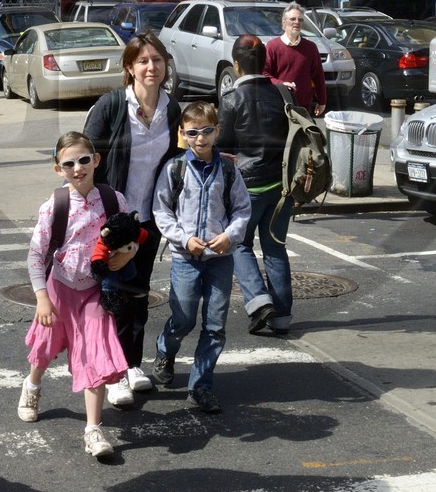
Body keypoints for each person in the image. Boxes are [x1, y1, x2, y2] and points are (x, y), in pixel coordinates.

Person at [18, 133, 132, 462]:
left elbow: (130, 236)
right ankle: (32, 386)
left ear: (96, 160)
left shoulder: (113, 200)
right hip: (59, 287)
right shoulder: (55, 205)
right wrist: (42, 298)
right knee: (45, 346)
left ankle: (93, 429)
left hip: (95, 289)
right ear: (58, 169)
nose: (77, 168)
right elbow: (36, 257)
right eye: (69, 163)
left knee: (96, 352)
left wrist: (128, 252)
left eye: (84, 160)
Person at [84, 30, 181, 408]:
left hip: (148, 219)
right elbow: (86, 156)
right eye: (142, 60)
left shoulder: (172, 110)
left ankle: (132, 364)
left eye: (157, 59)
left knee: (138, 291)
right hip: (111, 221)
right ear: (130, 67)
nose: (151, 67)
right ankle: (113, 371)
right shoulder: (111, 106)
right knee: (112, 294)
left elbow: (176, 163)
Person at [151, 101, 251, 414]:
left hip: (220, 258)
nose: (200, 138)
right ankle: (165, 349)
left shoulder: (230, 169)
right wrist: (183, 238)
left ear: (217, 131)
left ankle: (201, 386)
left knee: (215, 324)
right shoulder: (175, 168)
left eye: (207, 131)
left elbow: (242, 209)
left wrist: (230, 236)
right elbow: (161, 210)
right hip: (185, 258)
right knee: (183, 318)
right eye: (192, 132)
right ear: (182, 134)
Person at [218, 34, 295, 336]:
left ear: (236, 65)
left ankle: (261, 303)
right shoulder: (283, 95)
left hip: (246, 189)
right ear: (264, 63)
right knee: (275, 247)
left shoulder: (230, 100)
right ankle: (282, 317)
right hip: (281, 186)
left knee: (239, 245)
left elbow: (222, 149)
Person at [264, 2, 326, 116]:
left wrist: (322, 101)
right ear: (284, 22)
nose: (297, 22)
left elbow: (318, 76)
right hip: (279, 106)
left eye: (300, 20)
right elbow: (265, 74)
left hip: (303, 107)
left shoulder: (311, 47)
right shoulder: (272, 46)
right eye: (293, 19)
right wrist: (282, 84)